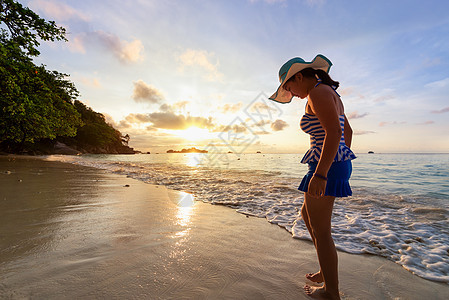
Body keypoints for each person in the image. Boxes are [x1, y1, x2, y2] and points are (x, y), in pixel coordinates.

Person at [269, 54, 356, 299]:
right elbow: (346, 131)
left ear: (299, 76)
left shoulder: (318, 93)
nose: (291, 92)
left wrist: (322, 172)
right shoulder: (329, 93)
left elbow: (335, 131)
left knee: (321, 230)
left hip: (324, 166)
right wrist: (341, 157)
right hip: (330, 162)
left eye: (289, 86)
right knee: (308, 216)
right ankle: (324, 270)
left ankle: (331, 292)